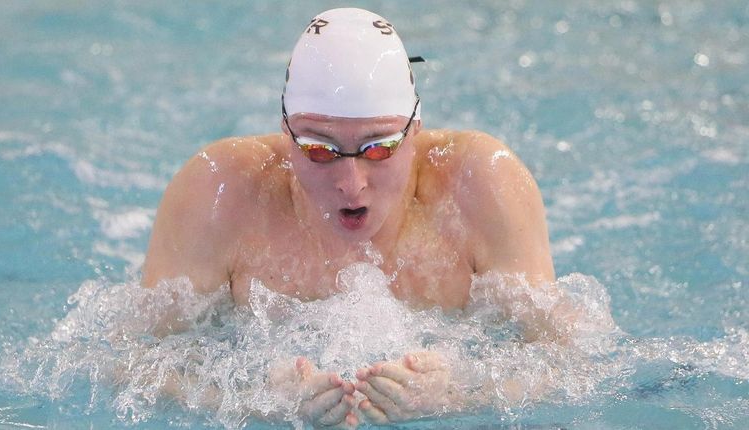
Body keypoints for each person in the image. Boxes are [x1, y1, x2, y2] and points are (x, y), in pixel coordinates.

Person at [142, 7, 570, 429]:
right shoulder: (220, 192)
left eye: (379, 149)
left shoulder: (480, 186)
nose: (351, 183)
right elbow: (127, 361)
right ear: (285, 133)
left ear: (415, 128)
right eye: (319, 150)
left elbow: (570, 360)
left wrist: (461, 396)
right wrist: (256, 401)